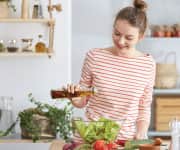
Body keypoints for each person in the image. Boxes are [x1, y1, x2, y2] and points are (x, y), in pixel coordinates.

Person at [66, 0, 156, 142]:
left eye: (129, 37)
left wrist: (142, 132)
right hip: (91, 139)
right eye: (116, 33)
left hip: (124, 142)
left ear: (141, 36)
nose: (120, 41)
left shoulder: (147, 64)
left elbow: (144, 107)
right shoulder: (94, 56)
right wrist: (75, 98)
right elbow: (82, 100)